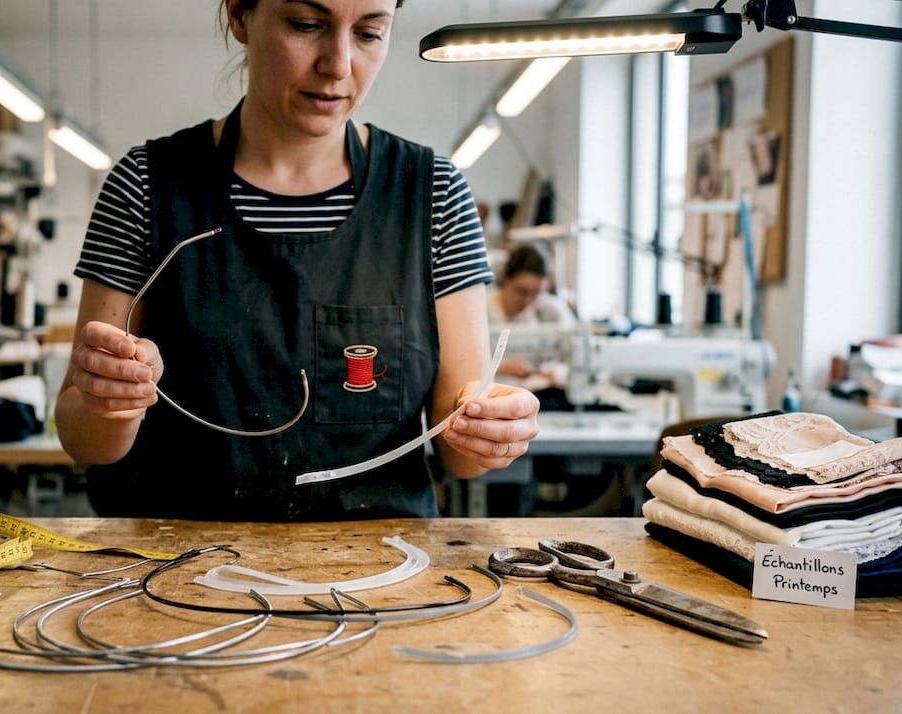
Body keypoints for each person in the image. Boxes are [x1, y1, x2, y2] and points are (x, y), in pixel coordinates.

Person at [55, 0, 540, 521]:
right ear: (240, 15)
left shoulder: (434, 195)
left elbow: (459, 455)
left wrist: (491, 432)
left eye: (370, 34)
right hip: (181, 575)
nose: (338, 65)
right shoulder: (146, 187)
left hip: (385, 577)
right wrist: (112, 399)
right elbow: (85, 441)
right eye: (307, 25)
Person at [488, 243, 576, 382]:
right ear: (505, 277)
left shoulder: (549, 310)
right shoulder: (482, 311)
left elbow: (575, 352)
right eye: (521, 291)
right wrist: (498, 367)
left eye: (535, 293)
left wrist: (558, 371)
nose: (527, 301)